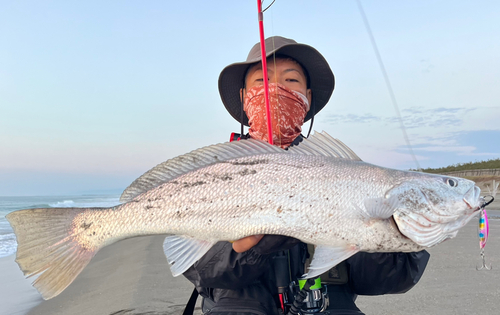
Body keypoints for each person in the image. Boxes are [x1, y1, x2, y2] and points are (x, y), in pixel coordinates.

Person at [183, 36, 430, 315]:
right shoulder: (213, 176)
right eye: (261, 82)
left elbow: (384, 280)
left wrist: (394, 234)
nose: (276, 89)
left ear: (307, 97)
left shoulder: (345, 171)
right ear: (243, 97)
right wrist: (258, 246)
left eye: (291, 81)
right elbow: (202, 271)